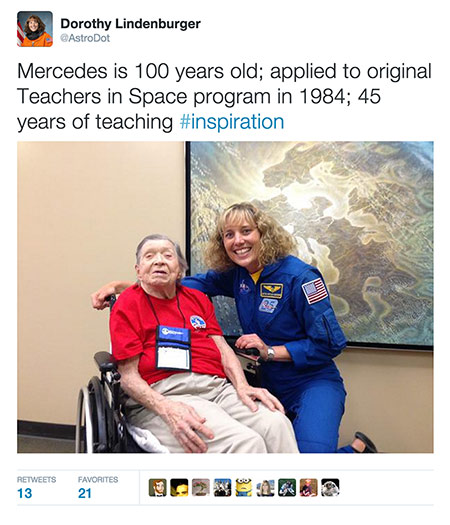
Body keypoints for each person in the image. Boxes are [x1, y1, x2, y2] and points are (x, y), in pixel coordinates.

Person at [92, 204, 378, 454]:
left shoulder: (301, 277)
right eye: (229, 235)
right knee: (252, 442)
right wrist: (124, 287)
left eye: (246, 231)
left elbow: (329, 343)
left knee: (302, 454)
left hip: (310, 380)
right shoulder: (236, 275)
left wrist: (267, 352)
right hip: (268, 380)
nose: (238, 241)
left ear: (263, 234)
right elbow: (175, 283)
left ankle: (348, 459)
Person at [108, 233, 299, 454]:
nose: (159, 260)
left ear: (179, 270)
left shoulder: (196, 299)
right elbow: (128, 377)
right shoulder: (127, 305)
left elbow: (223, 349)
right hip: (165, 394)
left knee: (277, 424)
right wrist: (166, 408)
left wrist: (242, 386)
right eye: (149, 256)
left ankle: (289, 489)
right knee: (246, 442)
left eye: (167, 255)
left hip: (216, 388)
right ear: (138, 270)